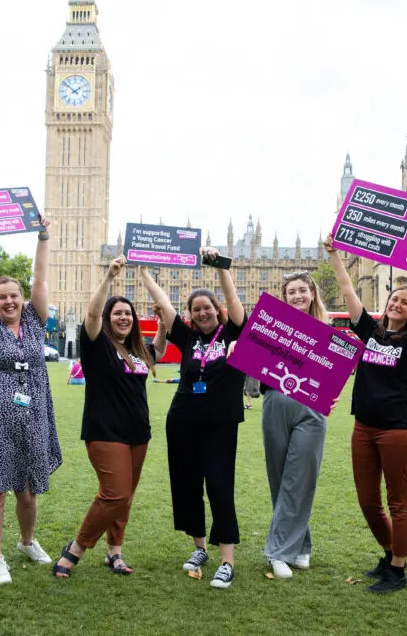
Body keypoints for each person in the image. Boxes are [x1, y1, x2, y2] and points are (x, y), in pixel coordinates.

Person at [327, 235, 407, 594]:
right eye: (394, 299)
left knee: (398, 501)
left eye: (405, 302)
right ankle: (389, 554)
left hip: (397, 430)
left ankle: (399, 570)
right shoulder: (371, 333)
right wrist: (335, 256)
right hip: (363, 426)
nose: (397, 303)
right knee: (367, 501)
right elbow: (348, 293)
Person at [138, 247, 247, 590]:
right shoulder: (186, 337)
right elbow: (164, 303)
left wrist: (219, 268)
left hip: (221, 423)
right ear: (190, 314)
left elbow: (233, 298)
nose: (202, 313)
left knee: (218, 486)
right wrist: (143, 274)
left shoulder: (233, 334)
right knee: (187, 486)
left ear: (218, 310)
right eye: (196, 309)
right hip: (182, 419)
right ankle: (199, 548)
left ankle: (227, 560)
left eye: (207, 308)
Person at [0, 221, 63, 586]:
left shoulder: (36, 324)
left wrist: (42, 238)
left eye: (14, 295)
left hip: (34, 414)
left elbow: (40, 279)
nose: (9, 301)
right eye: (1, 296)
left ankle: (26, 541)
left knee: (28, 490)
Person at [52, 256, 155, 579]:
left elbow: (163, 340)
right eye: (118, 313)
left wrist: (152, 289)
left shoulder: (139, 350)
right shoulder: (97, 344)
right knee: (115, 493)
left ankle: (115, 552)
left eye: (128, 313)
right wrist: (110, 276)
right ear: (109, 318)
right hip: (104, 429)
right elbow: (93, 313)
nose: (123, 317)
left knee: (125, 498)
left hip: (138, 431)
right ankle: (76, 549)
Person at [254, 270, 331, 580]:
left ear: (312, 293)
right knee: (281, 477)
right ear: (284, 297)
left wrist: (330, 394)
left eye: (302, 290)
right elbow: (257, 369)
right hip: (275, 402)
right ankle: (301, 545)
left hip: (311, 410)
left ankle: (278, 552)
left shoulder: (326, 330)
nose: (297, 295)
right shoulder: (271, 326)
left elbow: (329, 377)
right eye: (291, 292)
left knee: (302, 477)